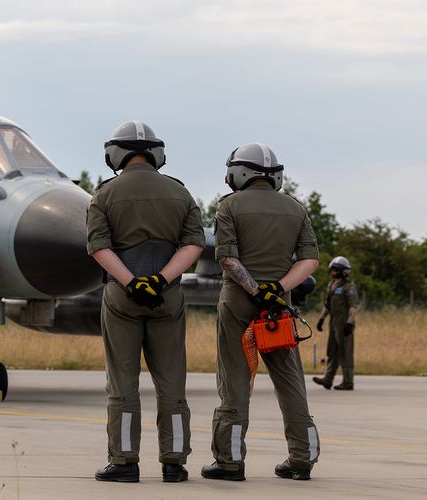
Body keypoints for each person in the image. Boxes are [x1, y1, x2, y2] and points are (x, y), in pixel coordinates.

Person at [86, 121, 205, 483]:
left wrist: (132, 282)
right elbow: (194, 245)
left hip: (122, 297)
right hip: (167, 298)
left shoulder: (104, 195)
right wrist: (160, 280)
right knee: (171, 383)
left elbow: (98, 247)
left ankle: (124, 462)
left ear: (116, 154)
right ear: (156, 153)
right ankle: (174, 462)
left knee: (123, 383)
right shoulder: (180, 194)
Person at [202, 143, 321, 482]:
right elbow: (310, 260)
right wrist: (277, 290)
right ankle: (302, 458)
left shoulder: (229, 206)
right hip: (279, 307)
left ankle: (229, 461)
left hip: (239, 302)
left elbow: (226, 258)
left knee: (234, 379)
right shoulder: (295, 208)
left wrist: (255, 290)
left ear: (239, 173)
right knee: (290, 381)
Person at [313, 256, 358, 390]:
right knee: (332, 351)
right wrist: (321, 319)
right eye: (332, 269)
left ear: (342, 271)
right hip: (333, 322)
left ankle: (348, 382)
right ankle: (328, 379)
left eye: (335, 270)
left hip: (344, 322)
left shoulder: (349, 287)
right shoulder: (331, 285)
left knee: (345, 352)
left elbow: (353, 307)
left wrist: (349, 324)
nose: (332, 272)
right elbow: (327, 305)